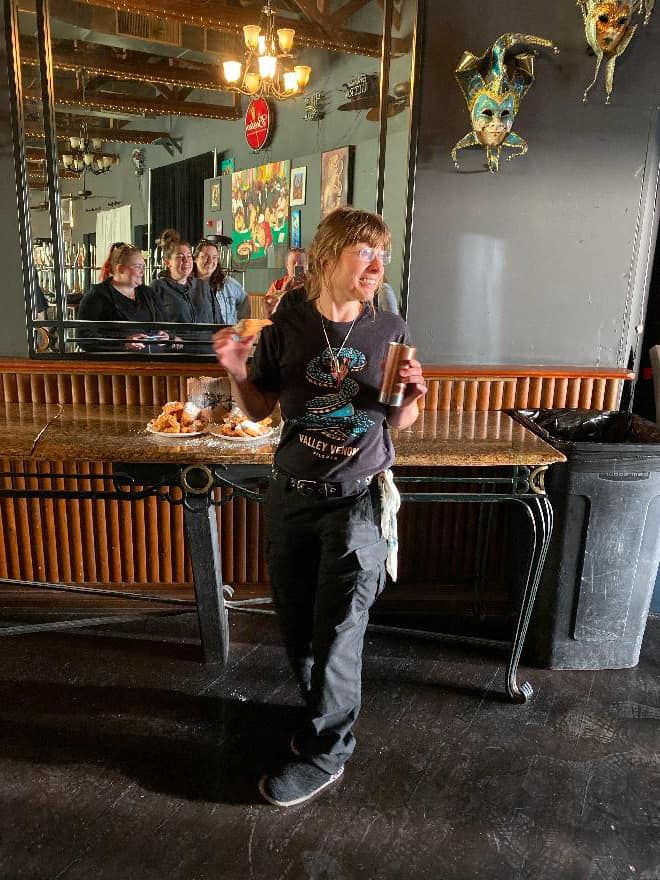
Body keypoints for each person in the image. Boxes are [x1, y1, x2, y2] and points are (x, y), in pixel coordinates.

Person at [213, 207, 426, 807]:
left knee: (338, 634)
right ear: (330, 256)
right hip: (291, 499)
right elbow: (260, 410)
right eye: (365, 253)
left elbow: (399, 421)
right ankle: (318, 717)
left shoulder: (389, 327)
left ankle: (328, 753)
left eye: (382, 254)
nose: (378, 265)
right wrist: (234, 371)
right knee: (298, 624)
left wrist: (414, 394)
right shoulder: (291, 323)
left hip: (359, 504)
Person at [77, 244, 172, 352]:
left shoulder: (148, 294)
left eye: (143, 267)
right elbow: (84, 337)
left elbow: (166, 324)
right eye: (138, 267)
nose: (142, 272)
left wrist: (166, 335)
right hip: (118, 364)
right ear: (120, 269)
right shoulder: (96, 297)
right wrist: (124, 342)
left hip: (155, 362)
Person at [150, 230, 216, 354]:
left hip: (209, 355)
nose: (186, 261)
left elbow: (218, 322)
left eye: (189, 256)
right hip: (177, 356)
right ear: (167, 262)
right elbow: (151, 325)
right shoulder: (158, 287)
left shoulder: (202, 286)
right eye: (180, 257)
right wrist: (171, 337)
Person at [192, 238, 250, 325]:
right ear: (195, 259)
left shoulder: (228, 284)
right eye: (205, 256)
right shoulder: (187, 285)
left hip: (227, 337)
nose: (210, 260)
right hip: (199, 337)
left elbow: (244, 301)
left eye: (214, 257)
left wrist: (240, 330)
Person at [263, 248, 308, 317]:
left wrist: (308, 287)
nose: (297, 266)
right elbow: (267, 313)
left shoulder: (315, 284)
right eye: (293, 263)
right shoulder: (277, 285)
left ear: (307, 266)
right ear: (287, 266)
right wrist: (284, 291)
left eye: (301, 262)